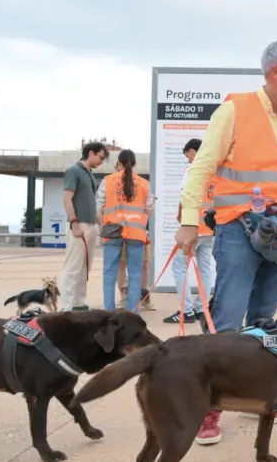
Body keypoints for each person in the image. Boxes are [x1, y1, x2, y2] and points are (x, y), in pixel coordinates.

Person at [175, 40, 277, 445]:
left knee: (264, 322)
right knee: (227, 322)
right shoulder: (235, 110)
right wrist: (189, 221)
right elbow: (202, 167)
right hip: (239, 230)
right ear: (275, 72)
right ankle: (209, 408)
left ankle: (256, 397)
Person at [164, 138, 215, 324]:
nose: (189, 160)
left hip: (193, 227)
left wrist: (182, 219)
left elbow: (185, 196)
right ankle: (201, 308)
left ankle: (186, 311)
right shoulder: (215, 172)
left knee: (179, 267)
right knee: (205, 269)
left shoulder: (193, 170)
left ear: (195, 151)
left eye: (189, 156)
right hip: (210, 228)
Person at [97, 149, 154, 311]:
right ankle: (133, 314)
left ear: (119, 163)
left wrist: (102, 225)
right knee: (135, 275)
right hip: (136, 233)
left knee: (109, 274)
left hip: (112, 230)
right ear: (135, 164)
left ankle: (109, 313)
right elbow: (149, 208)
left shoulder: (108, 181)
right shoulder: (144, 183)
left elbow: (99, 205)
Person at [60, 141, 108, 311]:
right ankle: (67, 306)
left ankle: (79, 302)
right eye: (100, 158)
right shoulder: (74, 171)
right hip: (79, 225)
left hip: (90, 226)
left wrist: (101, 224)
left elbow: (92, 204)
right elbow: (67, 199)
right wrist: (74, 223)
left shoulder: (89, 175)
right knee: (73, 267)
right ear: (91, 153)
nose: (101, 162)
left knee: (84, 268)